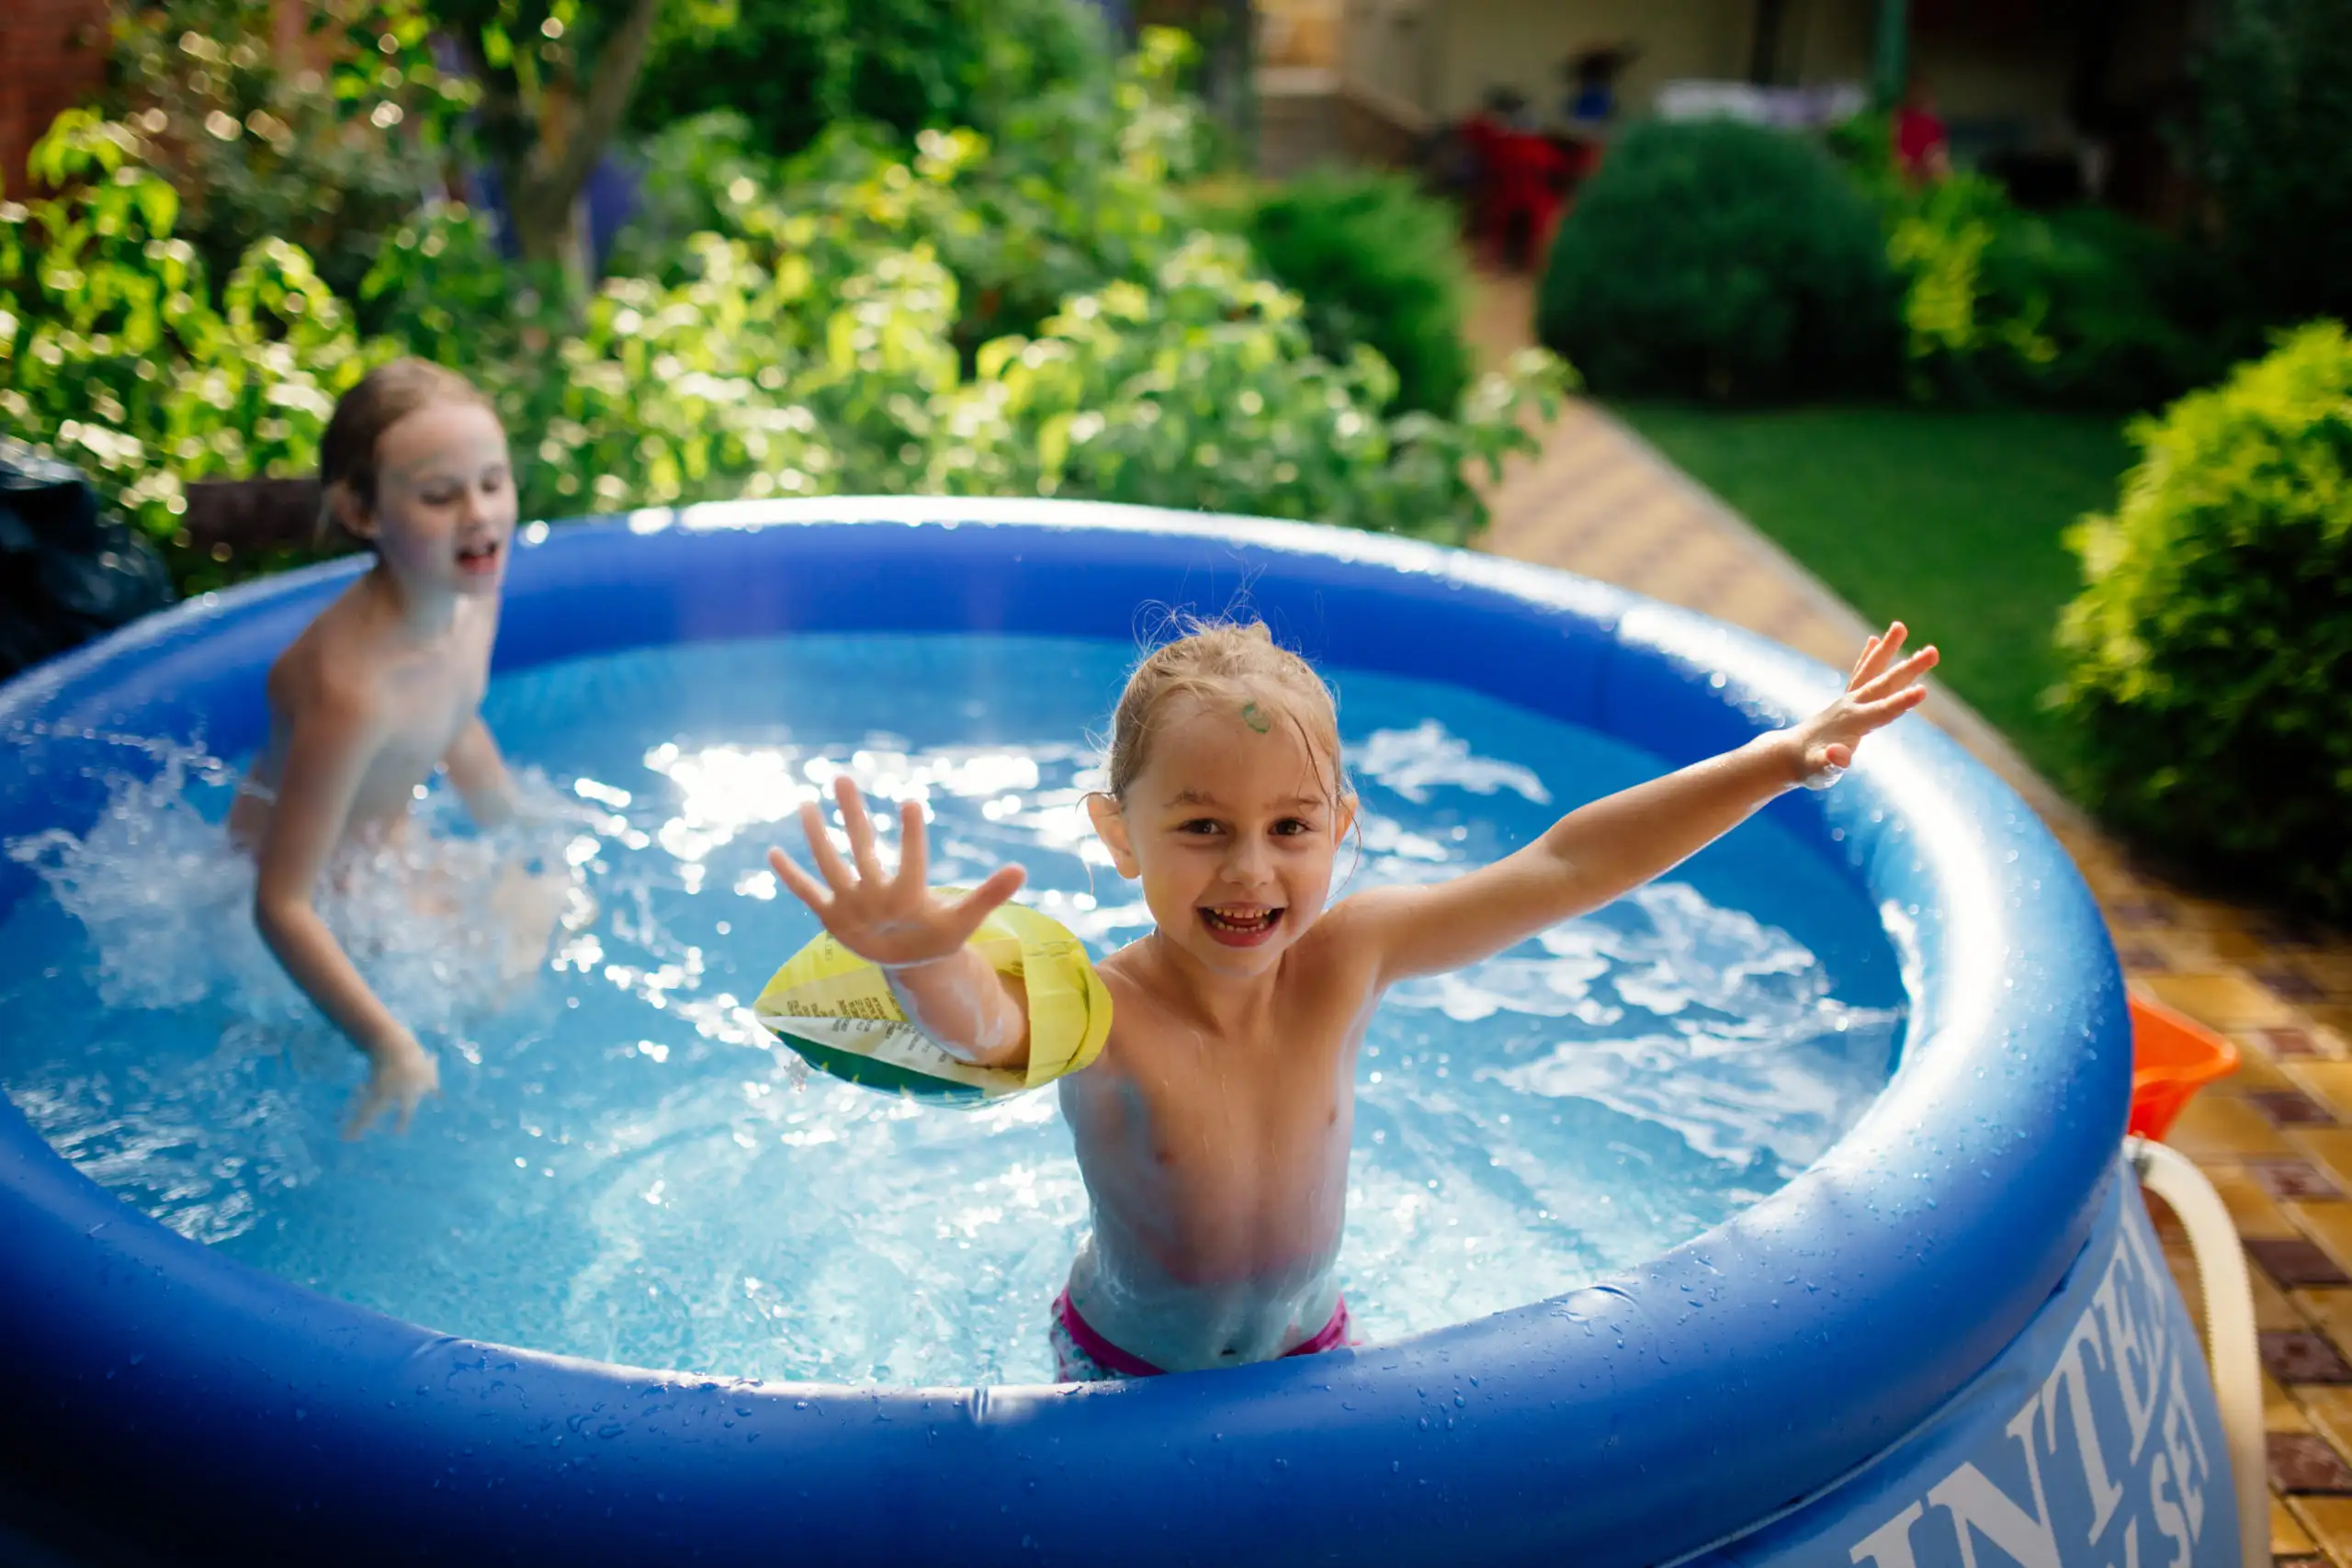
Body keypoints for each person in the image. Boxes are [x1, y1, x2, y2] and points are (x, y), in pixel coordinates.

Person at [768, 617, 1938, 1380]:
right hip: (1124, 1380)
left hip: (1319, 1350)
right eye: (1201, 829)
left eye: (1290, 828)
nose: (1249, 870)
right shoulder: (1107, 1011)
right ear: (1118, 836)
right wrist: (923, 959)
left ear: (1344, 828)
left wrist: (1784, 755)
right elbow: (985, 1027)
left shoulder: (1350, 957)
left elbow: (1570, 866)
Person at [230, 358, 547, 1140]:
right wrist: (388, 1043)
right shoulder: (351, 689)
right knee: (488, 991)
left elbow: (452, 712)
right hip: (313, 896)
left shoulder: (472, 599)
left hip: (386, 852)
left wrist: (516, 824)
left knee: (545, 924)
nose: (479, 514)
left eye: (494, 482)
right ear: (360, 511)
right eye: (440, 496)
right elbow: (279, 903)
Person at [1894, 73, 1951, 184]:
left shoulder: (1934, 122)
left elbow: (1941, 147)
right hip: (1909, 160)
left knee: (1938, 161)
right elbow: (1897, 146)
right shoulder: (1902, 119)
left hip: (1928, 158)